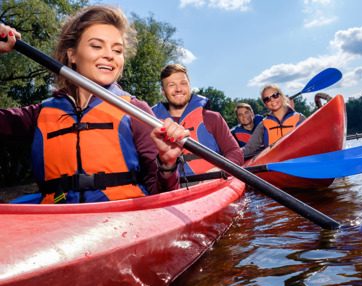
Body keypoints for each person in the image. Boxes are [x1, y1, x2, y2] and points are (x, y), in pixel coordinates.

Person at [0, 6, 190, 204]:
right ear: (72, 55)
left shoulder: (136, 111)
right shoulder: (40, 114)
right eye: (97, 46)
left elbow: (161, 194)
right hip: (56, 221)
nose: (110, 55)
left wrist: (167, 165)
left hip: (120, 223)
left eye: (117, 50)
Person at [152, 64, 243, 176]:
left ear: (189, 86)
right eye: (171, 85)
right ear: (163, 91)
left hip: (213, 185)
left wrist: (219, 172)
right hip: (172, 188)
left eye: (183, 83)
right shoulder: (152, 124)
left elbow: (235, 152)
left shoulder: (212, 118)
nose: (179, 89)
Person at [242, 84, 306, 156]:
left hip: (297, 160)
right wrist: (233, 155)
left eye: (275, 95)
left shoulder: (299, 118)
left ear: (281, 96)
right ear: (265, 104)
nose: (272, 100)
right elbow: (249, 148)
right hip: (274, 162)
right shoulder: (263, 124)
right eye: (267, 99)